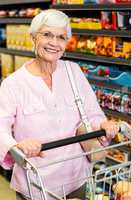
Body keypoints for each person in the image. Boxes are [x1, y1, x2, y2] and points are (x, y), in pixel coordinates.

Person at [0, 9, 119, 200]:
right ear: (33, 37)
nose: (54, 43)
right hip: (36, 184)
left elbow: (91, 113)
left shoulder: (74, 72)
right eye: (47, 35)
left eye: (61, 37)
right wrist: (17, 145)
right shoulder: (13, 84)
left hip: (76, 177)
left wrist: (103, 125)